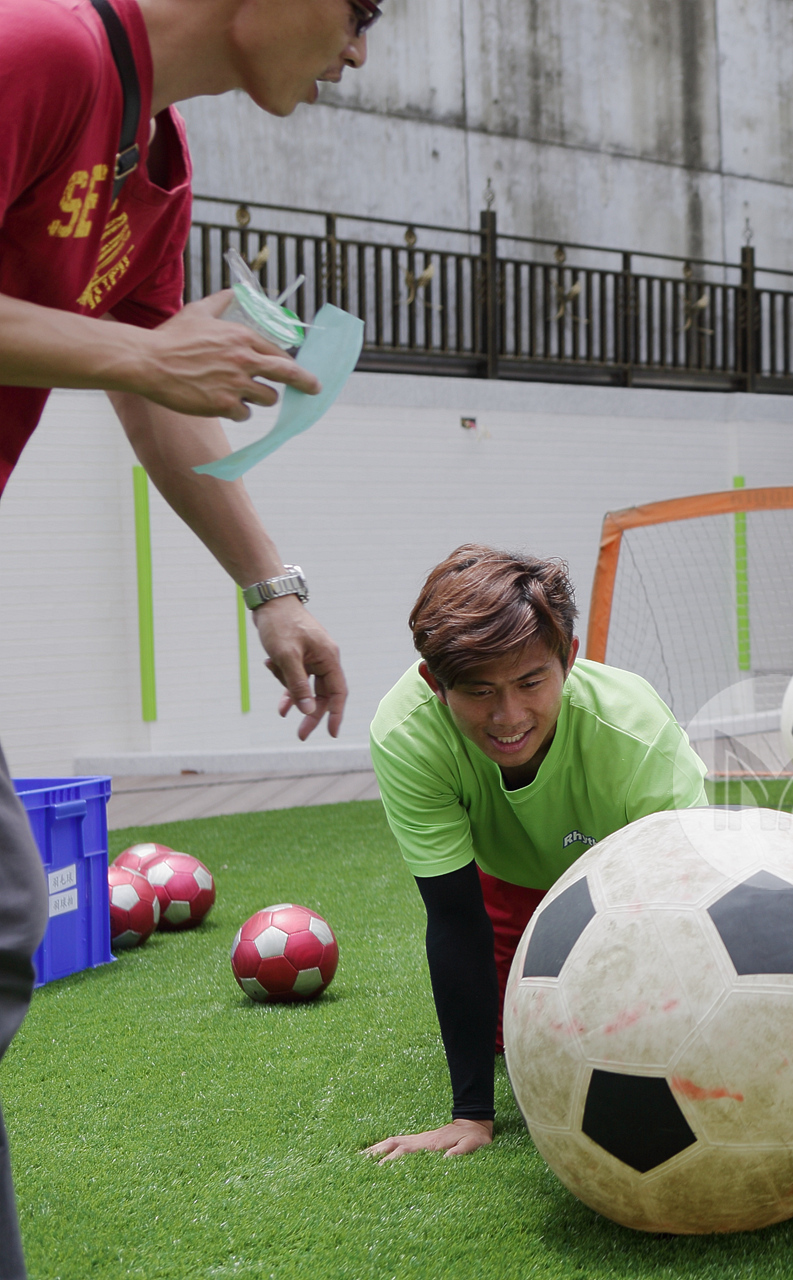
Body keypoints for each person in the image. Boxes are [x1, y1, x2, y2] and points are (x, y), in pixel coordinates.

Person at [0, 0, 369, 1269]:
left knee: (2, 909)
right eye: (362, 11)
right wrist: (135, 353)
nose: (360, 52)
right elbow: (143, 364)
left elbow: (155, 395)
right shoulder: (35, 50)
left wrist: (275, 587)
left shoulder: (156, 159)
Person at [361, 546, 707, 1162]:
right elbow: (453, 918)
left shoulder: (635, 728)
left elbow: (687, 905)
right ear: (433, 683)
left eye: (530, 682)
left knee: (646, 1035)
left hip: (633, 890)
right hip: (507, 889)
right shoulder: (406, 732)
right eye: (476, 691)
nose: (508, 716)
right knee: (523, 1043)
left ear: (569, 658)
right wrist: (470, 1115)